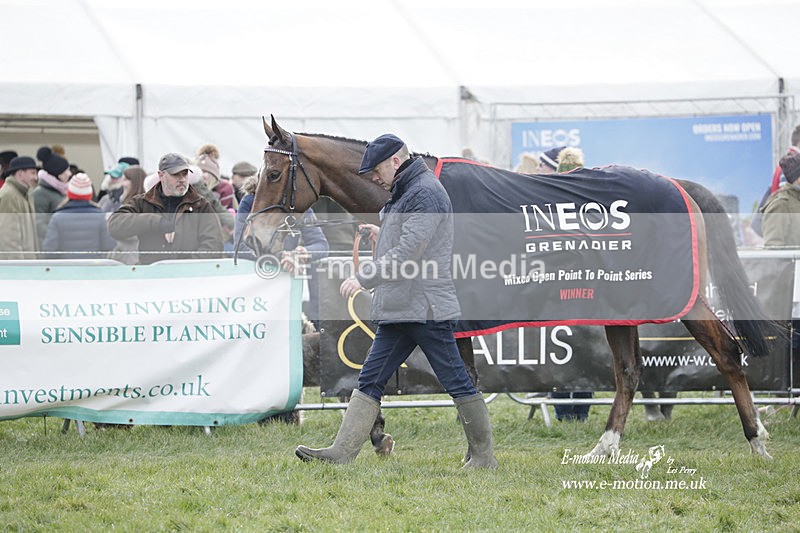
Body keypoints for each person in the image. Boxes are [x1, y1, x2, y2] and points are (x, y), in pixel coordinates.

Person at [295, 134, 497, 468]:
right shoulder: (408, 191)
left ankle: (484, 457)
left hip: (425, 309)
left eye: (376, 170)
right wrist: (381, 234)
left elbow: (409, 253)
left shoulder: (425, 193)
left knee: (456, 380)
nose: (373, 177)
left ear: (395, 162)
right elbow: (406, 240)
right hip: (401, 307)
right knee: (370, 378)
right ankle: (342, 452)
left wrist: (363, 277)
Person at [234, 175, 329, 328]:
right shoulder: (251, 202)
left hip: (286, 284)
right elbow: (240, 247)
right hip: (256, 283)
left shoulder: (299, 205)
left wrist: (302, 253)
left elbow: (321, 245)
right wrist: (282, 257)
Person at [107, 153, 224, 265]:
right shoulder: (143, 202)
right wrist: (156, 222)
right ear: (161, 175)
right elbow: (114, 224)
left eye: (185, 174)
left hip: (188, 280)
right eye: (176, 174)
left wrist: (185, 268)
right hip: (151, 277)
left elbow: (213, 246)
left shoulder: (201, 205)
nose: (182, 179)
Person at [548, 146, 594, 421]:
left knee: (559, 350)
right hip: (586, 286)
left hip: (557, 286)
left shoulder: (548, 193)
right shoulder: (590, 195)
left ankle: (563, 410)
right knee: (584, 349)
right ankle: (582, 411)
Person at [42, 173, 115, 259]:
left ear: (69, 193)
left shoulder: (57, 217)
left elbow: (49, 249)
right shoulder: (99, 215)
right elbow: (108, 245)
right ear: (89, 194)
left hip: (66, 268)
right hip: (92, 267)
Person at [0, 155, 39, 259]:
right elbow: (9, 238)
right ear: (20, 174)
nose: (36, 178)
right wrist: (19, 268)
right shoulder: (8, 196)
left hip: (28, 265)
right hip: (17, 268)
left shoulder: (27, 195)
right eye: (33, 173)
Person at [33, 146, 71, 244]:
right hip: (49, 247)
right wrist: (60, 234)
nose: (69, 173)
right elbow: (38, 225)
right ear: (58, 174)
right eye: (66, 170)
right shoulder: (40, 194)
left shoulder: (62, 191)